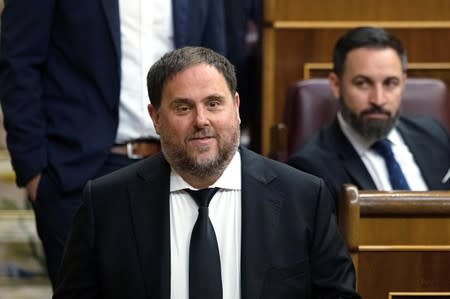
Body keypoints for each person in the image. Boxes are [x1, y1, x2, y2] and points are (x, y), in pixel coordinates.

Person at [53, 47, 360, 299]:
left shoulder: (304, 197)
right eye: (183, 108)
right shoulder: (107, 203)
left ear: (237, 108)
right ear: (156, 118)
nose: (202, 120)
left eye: (214, 103)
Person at [0, 0, 225, 287]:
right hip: (76, 173)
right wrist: (34, 173)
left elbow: (218, 61)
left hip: (179, 167)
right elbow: (19, 63)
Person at [287, 27, 450, 210]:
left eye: (390, 83)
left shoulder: (434, 135)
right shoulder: (311, 169)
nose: (378, 100)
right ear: (335, 84)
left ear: (403, 83)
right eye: (362, 83)